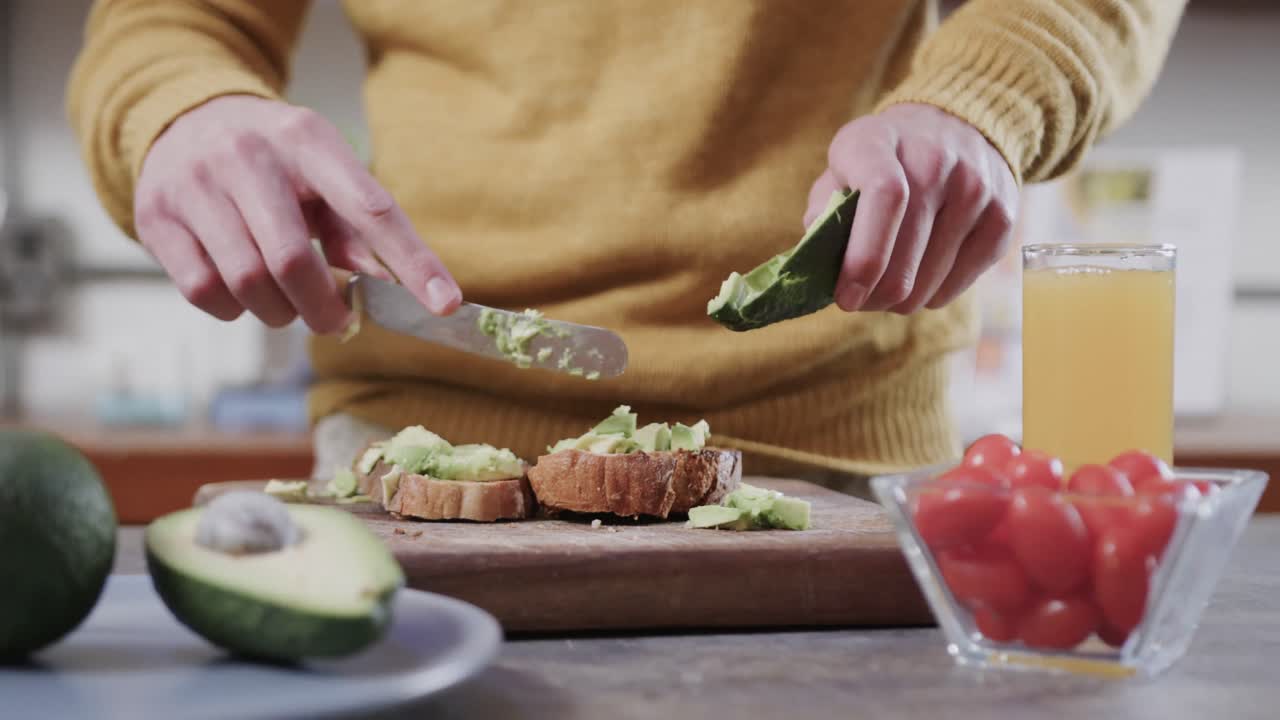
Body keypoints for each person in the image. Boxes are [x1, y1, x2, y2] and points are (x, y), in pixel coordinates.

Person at [66, 1, 1185, 486]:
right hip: (405, 458)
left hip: (838, 448)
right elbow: (168, 19)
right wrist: (182, 110)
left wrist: (979, 105)